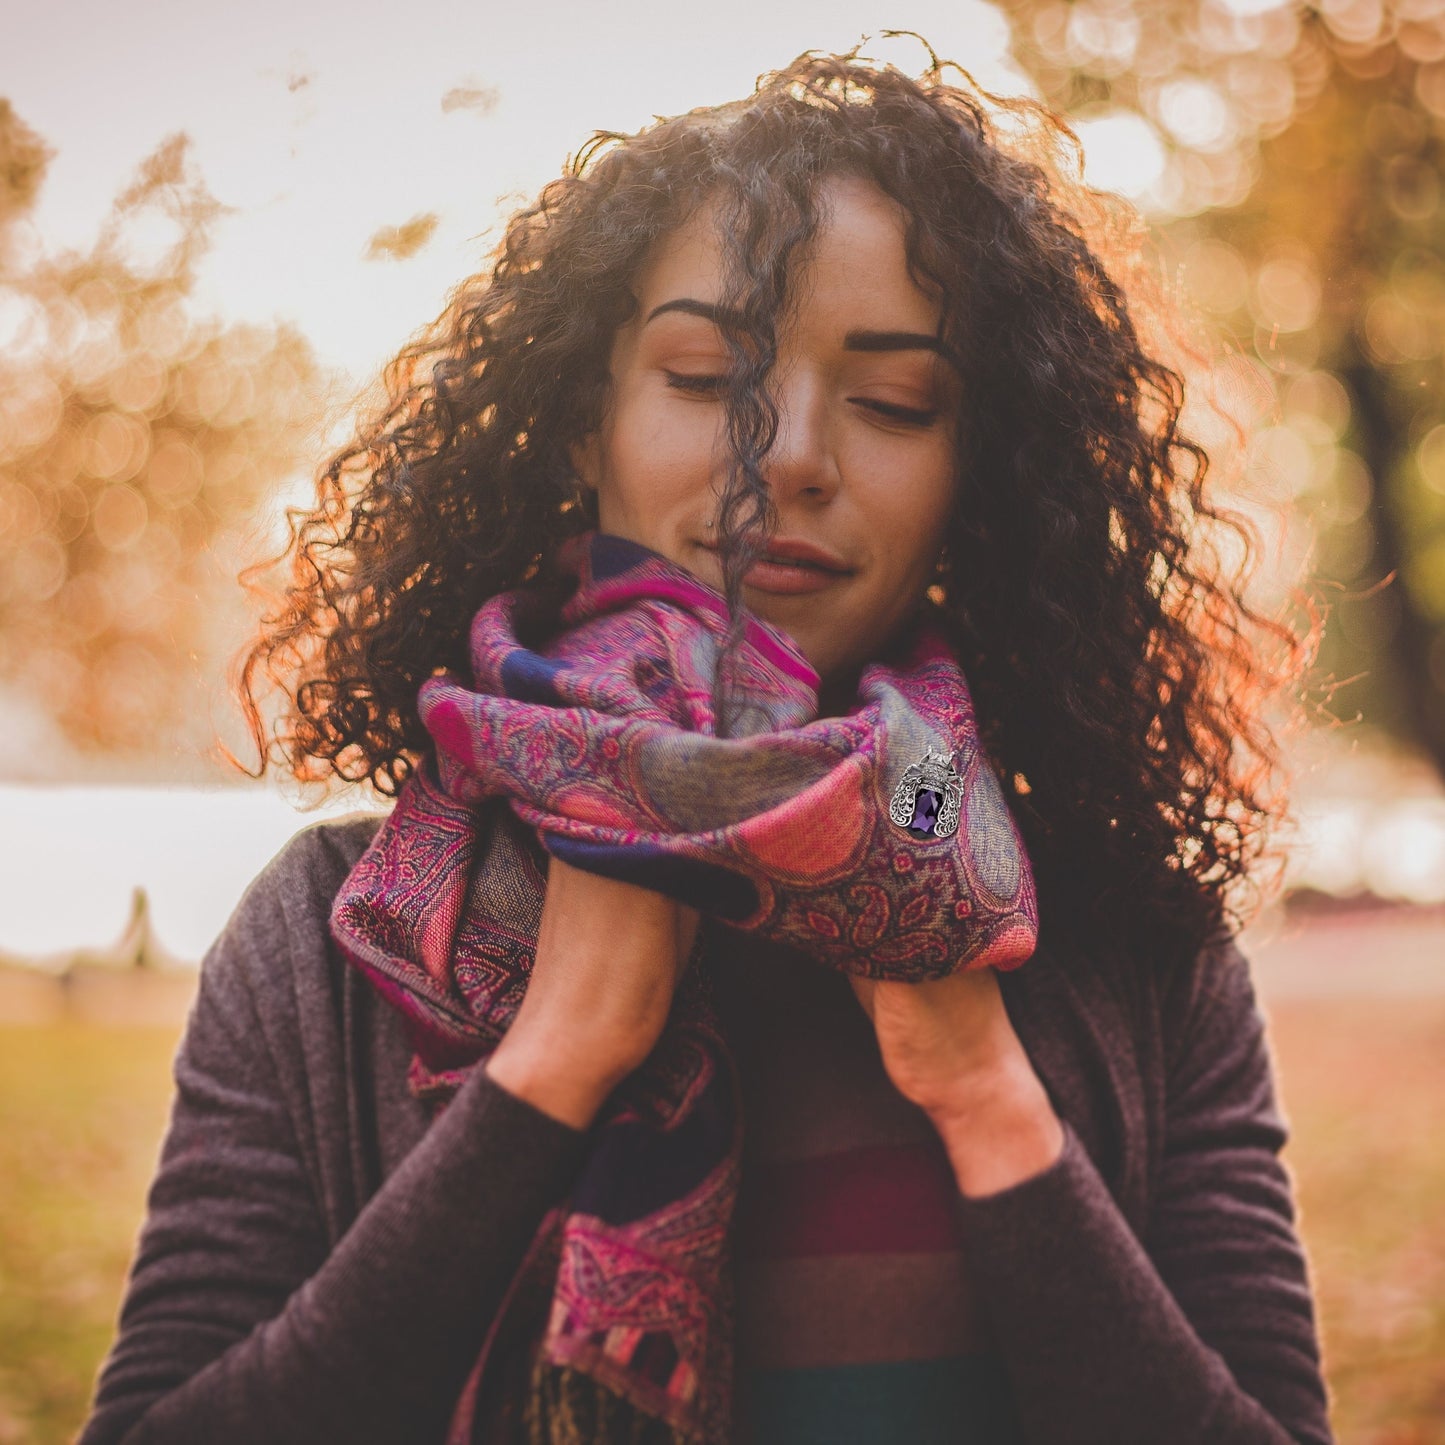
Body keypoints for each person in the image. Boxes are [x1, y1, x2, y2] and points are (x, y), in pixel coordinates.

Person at [78, 42, 1334, 1445]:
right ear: (580, 425)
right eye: (700, 373)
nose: (787, 452)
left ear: (976, 477)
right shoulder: (332, 939)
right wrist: (547, 1068)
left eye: (892, 401)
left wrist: (988, 1101)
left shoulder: (1135, 949)